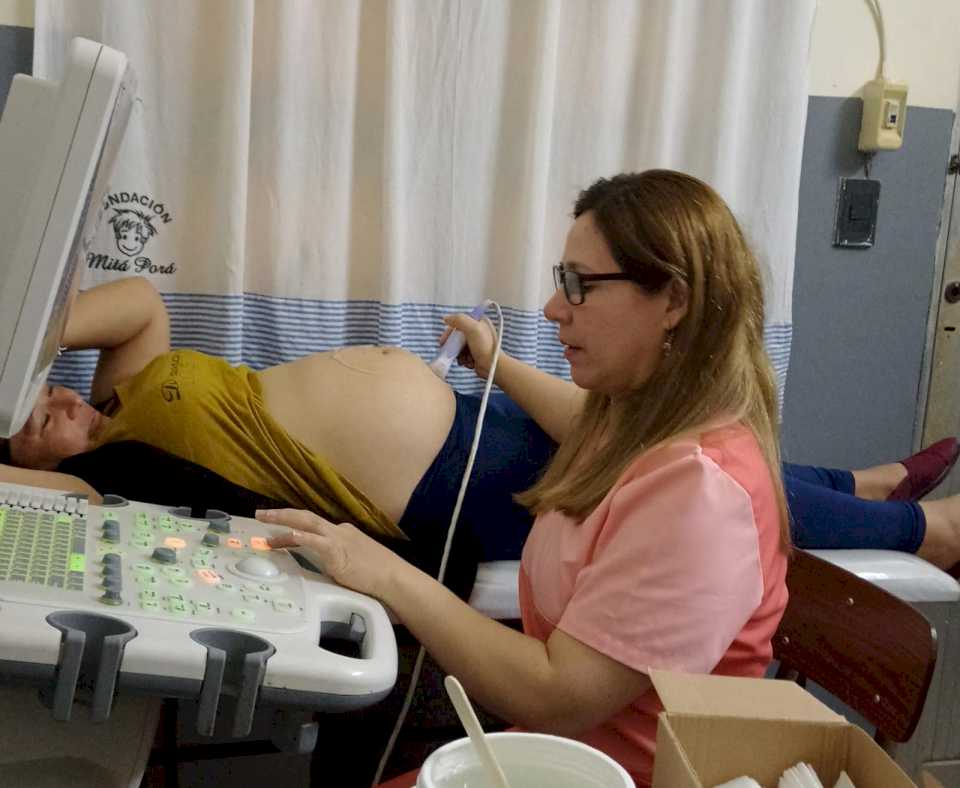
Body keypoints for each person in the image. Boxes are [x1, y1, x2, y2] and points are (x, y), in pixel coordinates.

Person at [256, 169, 791, 786]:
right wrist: (493, 362)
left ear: (673, 300)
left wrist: (383, 570)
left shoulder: (700, 491)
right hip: (548, 757)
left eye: (580, 285)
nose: (553, 309)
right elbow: (577, 418)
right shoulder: (642, 420)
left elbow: (557, 693)